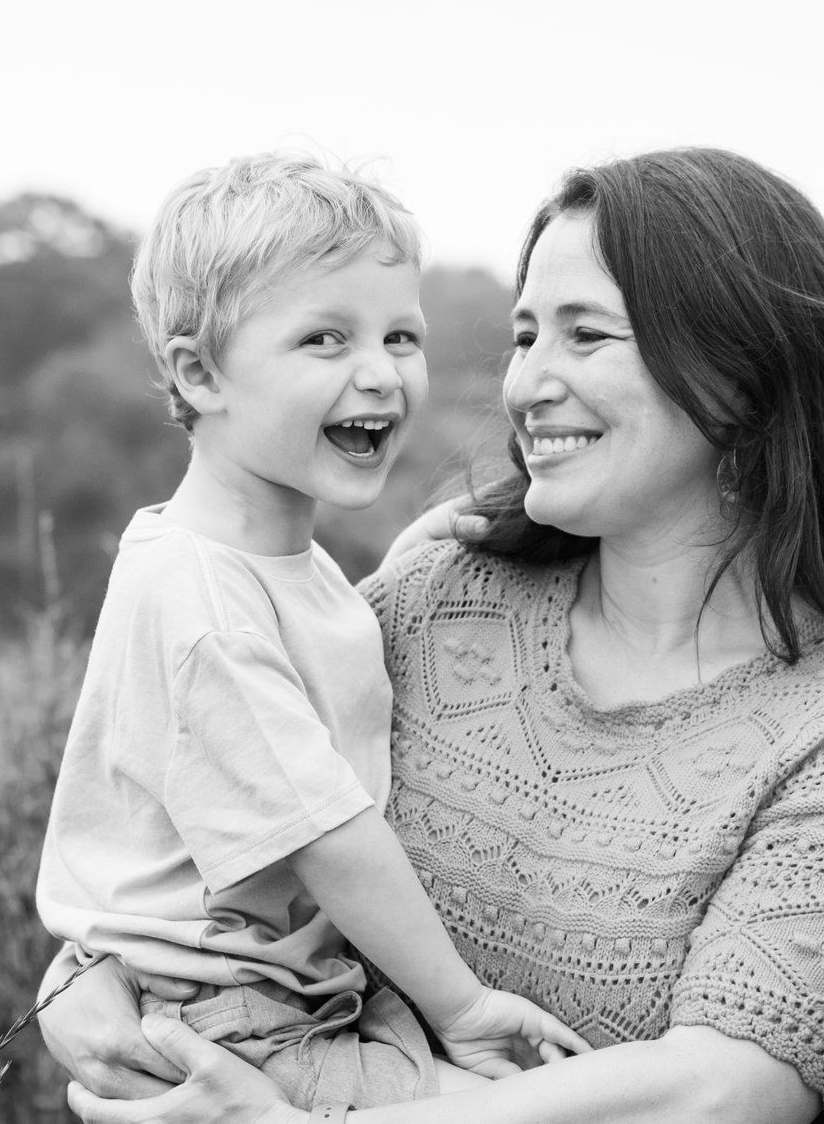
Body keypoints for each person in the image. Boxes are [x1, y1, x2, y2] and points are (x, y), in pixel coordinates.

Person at [40, 146, 824, 1124]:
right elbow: (198, 814)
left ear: (739, 378)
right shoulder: (435, 597)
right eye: (523, 336)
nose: (529, 381)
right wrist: (78, 990)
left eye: (585, 336)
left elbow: (724, 1094)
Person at [36, 152, 587, 1117]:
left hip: (284, 990)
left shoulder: (270, 567)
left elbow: (305, 667)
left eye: (400, 334)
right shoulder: (200, 597)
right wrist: (460, 1005)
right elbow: (327, 830)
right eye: (325, 339)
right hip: (223, 1008)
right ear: (199, 371)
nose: (379, 371)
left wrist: (411, 558)